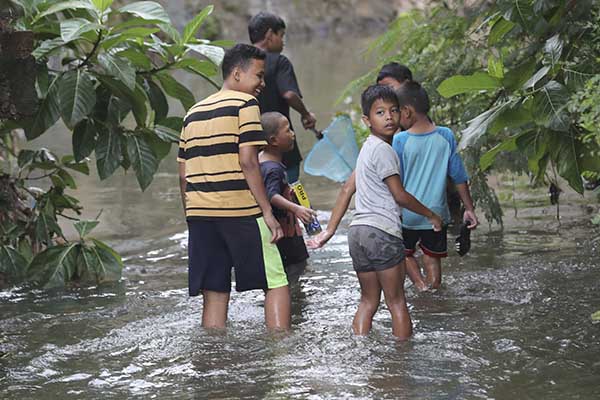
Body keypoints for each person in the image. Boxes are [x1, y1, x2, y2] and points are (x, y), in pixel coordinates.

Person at [314, 85, 442, 339]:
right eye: (380, 112)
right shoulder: (384, 151)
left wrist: (329, 231)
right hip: (382, 232)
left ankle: (360, 345)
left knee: (368, 301)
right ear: (366, 120)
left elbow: (346, 190)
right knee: (396, 302)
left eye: (393, 111)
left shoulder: (367, 149)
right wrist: (431, 215)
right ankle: (402, 359)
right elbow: (400, 195)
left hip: (358, 234)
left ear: (402, 114)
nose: (389, 117)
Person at [177, 44, 290, 331]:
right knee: (276, 281)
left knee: (214, 292)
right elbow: (248, 161)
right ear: (237, 74)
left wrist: (192, 215)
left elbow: (183, 174)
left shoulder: (192, 112)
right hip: (240, 209)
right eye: (259, 76)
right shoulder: (245, 104)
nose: (262, 84)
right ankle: (283, 354)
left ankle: (214, 360)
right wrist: (267, 212)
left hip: (201, 215)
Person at [392, 81, 479, 291]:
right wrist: (469, 209)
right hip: (437, 215)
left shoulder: (400, 140)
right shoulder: (445, 135)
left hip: (407, 213)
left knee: (405, 254)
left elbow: (395, 180)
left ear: (406, 111)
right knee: (432, 259)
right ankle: (433, 290)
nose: (393, 117)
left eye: (396, 111)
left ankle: (420, 286)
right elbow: (459, 176)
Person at [248, 11, 320, 183]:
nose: (283, 41)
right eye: (281, 35)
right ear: (269, 35)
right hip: (281, 144)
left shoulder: (241, 63)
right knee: (293, 189)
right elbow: (289, 94)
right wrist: (305, 114)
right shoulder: (279, 61)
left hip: (250, 144)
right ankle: (302, 208)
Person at [259, 112, 314, 284]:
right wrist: (296, 208)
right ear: (274, 140)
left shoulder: (260, 161)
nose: (293, 134)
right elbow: (271, 195)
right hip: (285, 236)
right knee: (293, 274)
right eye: (288, 130)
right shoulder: (272, 169)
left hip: (277, 234)